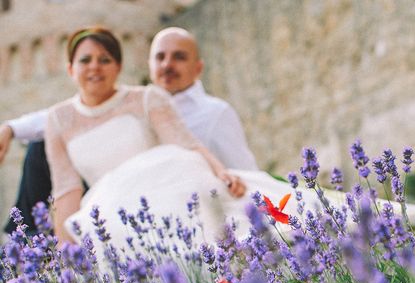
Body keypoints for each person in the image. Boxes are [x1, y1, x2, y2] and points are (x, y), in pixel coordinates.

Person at [0, 26, 257, 235]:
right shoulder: (59, 118)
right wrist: (66, 254)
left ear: (119, 67)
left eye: (105, 59)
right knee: (36, 150)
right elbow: (66, 188)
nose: (95, 67)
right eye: (85, 60)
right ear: (70, 69)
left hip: (165, 199)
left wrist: (223, 174)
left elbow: (186, 145)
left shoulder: (150, 100)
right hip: (106, 215)